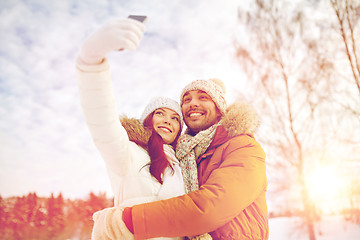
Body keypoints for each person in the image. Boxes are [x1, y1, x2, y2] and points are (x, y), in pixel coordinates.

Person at [91, 78, 269, 239]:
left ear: (219, 109)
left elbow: (209, 209)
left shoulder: (244, 147)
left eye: (203, 97)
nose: (193, 104)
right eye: (186, 99)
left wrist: (128, 221)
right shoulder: (187, 157)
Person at [76, 18, 188, 240]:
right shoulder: (127, 151)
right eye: (160, 113)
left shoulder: (182, 165)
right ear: (147, 120)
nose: (168, 120)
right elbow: (102, 118)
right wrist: (90, 62)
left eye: (175, 118)